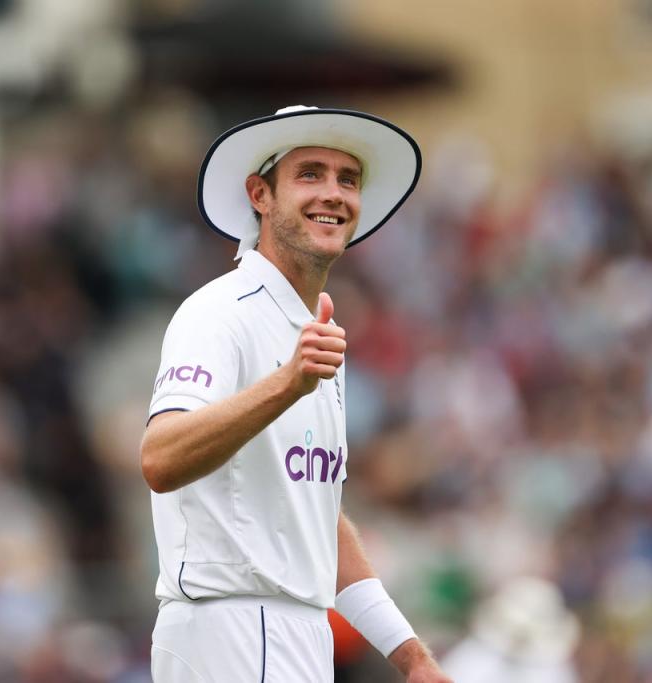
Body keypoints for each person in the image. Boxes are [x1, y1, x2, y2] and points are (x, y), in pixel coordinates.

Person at [141, 105, 452, 683]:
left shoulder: (312, 331)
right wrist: (287, 384)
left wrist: (410, 656)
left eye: (348, 179)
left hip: (295, 634)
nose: (333, 193)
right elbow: (160, 458)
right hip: (231, 628)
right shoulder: (218, 313)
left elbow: (317, 520)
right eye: (310, 174)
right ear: (260, 194)